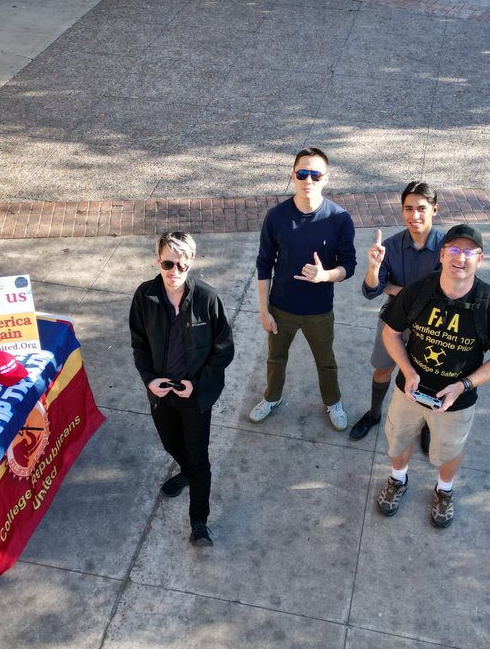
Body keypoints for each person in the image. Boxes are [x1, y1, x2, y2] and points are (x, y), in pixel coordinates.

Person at [375, 224, 490, 529]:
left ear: (481, 259)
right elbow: (391, 333)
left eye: (469, 252)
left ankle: (444, 490)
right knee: (398, 440)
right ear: (441, 255)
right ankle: (398, 480)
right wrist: (409, 372)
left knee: (449, 450)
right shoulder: (417, 291)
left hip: (457, 402)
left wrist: (463, 385)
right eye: (453, 249)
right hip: (409, 390)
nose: (460, 257)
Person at [130, 231, 234, 547]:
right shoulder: (144, 296)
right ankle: (186, 471)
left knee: (199, 457)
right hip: (161, 394)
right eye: (167, 263)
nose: (174, 272)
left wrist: (197, 386)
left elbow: (223, 350)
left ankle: (199, 522)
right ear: (157, 261)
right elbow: (139, 344)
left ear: (191, 264)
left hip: (195, 397)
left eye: (181, 265)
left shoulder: (208, 299)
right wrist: (149, 379)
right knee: (170, 443)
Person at [249, 147, 356, 430]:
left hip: (319, 311)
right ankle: (271, 398)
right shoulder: (276, 217)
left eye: (316, 175)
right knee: (275, 359)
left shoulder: (339, 219)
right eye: (302, 174)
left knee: (326, 361)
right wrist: (263, 310)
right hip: (281, 308)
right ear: (293, 176)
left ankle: (333, 402)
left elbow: (349, 266)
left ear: (326, 179)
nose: (308, 180)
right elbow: (264, 264)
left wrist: (326, 275)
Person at [349, 180, 445, 443]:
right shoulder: (389, 247)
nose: (414, 216)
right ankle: (374, 413)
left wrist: (395, 288)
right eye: (408, 208)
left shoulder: (447, 248)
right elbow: (371, 291)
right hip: (394, 321)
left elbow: (444, 292)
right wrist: (374, 267)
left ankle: (426, 424)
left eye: (422, 208)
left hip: (431, 326)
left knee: (428, 377)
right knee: (382, 368)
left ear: (434, 210)